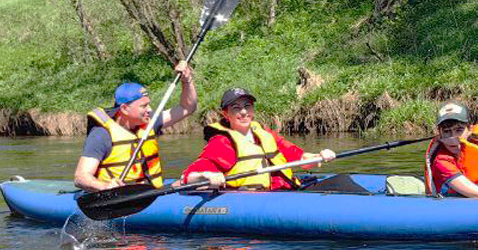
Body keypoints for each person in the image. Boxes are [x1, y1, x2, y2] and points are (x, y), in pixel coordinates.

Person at [73, 61, 198, 192]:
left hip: (152, 192)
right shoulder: (101, 135)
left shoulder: (150, 122)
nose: (150, 109)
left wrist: (187, 80)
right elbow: (81, 177)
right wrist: (105, 186)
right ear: (125, 109)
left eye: (148, 104)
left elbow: (187, 107)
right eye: (143, 106)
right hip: (120, 196)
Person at [182, 88, 335, 191]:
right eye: (236, 108)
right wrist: (208, 176)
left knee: (341, 181)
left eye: (247, 106)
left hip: (287, 190)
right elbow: (189, 176)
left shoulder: (263, 133)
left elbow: (300, 158)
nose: (243, 112)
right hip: (260, 199)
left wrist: (320, 156)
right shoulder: (223, 142)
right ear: (225, 114)